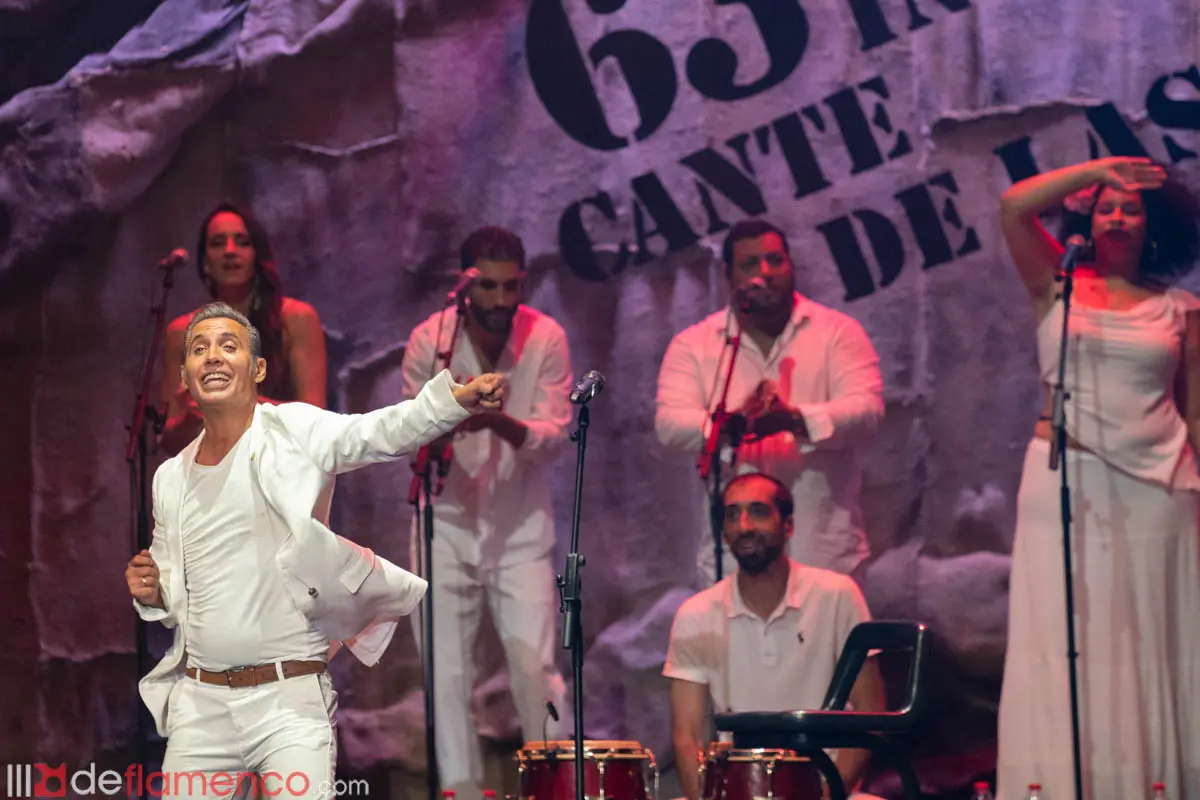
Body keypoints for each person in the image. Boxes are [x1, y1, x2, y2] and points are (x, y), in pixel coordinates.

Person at [125, 301, 505, 799]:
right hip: (202, 707)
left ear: (257, 368)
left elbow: (376, 433)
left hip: (289, 699)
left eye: (228, 346)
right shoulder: (170, 476)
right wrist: (152, 592)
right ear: (185, 374)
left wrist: (452, 403)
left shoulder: (293, 431)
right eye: (199, 349)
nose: (213, 357)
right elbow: (174, 587)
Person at [995, 156, 1200, 798]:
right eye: (1105, 204)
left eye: (1129, 207)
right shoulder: (1055, 282)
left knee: (1148, 642)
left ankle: (1153, 783)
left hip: (1158, 485)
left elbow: (1195, 413)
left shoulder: (1179, 308)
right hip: (1064, 477)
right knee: (1065, 636)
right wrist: (1101, 169)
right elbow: (1012, 207)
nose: (1116, 215)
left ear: (1151, 224)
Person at [400, 226, 571, 798]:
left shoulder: (545, 336)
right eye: (489, 287)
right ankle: (460, 790)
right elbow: (407, 431)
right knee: (446, 677)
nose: (501, 301)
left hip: (520, 527)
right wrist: (448, 420)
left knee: (534, 671)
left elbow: (552, 437)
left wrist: (495, 420)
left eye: (511, 286)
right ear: (465, 285)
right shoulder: (432, 341)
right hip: (443, 524)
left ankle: (554, 785)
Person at [656, 218, 884, 582]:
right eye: (750, 265)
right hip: (732, 560)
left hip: (823, 550)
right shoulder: (695, 345)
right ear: (728, 275)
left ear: (790, 264)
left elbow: (867, 411)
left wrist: (794, 419)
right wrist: (734, 425)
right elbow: (670, 425)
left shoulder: (837, 332)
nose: (766, 273)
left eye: (775, 261)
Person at [664, 472, 886, 800]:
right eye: (732, 515)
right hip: (736, 787)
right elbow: (688, 737)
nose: (744, 526)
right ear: (723, 533)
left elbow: (870, 717)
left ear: (789, 525)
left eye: (758, 511)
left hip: (826, 788)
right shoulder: (695, 614)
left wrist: (826, 794)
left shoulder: (837, 596)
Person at [160, 201, 327, 455]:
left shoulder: (296, 319)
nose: (230, 251)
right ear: (205, 262)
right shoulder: (181, 333)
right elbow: (169, 444)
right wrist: (191, 417)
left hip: (280, 475)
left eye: (242, 242)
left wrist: (237, 401)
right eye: (218, 243)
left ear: (256, 256)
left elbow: (316, 422)